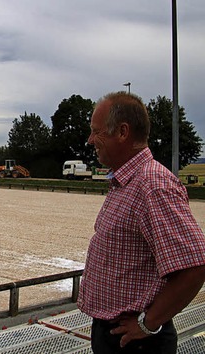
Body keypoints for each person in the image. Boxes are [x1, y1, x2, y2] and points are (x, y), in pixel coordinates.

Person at [78, 91, 205, 353]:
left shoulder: (152, 184)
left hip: (137, 342)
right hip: (117, 335)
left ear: (122, 132)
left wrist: (147, 324)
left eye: (96, 131)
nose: (91, 140)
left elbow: (196, 266)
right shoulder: (126, 182)